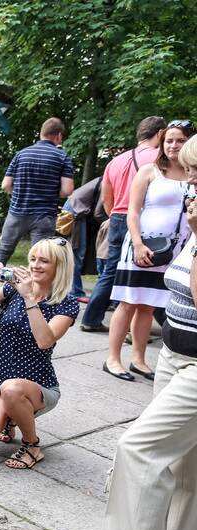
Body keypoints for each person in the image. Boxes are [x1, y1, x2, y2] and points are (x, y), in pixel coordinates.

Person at [88, 135, 197, 530]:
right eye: (189, 174)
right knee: (186, 462)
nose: (188, 184)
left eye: (195, 174)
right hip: (175, 352)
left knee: (138, 449)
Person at [0, 238, 79, 469]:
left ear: (60, 267)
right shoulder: (11, 289)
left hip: (39, 385)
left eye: (44, 261)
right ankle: (11, 416)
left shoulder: (66, 304)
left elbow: (45, 341)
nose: (35, 265)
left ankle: (32, 445)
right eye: (33, 259)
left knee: (12, 388)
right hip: (0, 380)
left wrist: (29, 298)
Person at [101, 121, 195, 382]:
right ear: (162, 143)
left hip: (174, 252)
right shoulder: (149, 171)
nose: (174, 145)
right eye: (169, 140)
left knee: (148, 305)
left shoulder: (192, 174)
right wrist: (138, 243)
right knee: (129, 301)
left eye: (180, 140)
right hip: (143, 246)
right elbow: (132, 211)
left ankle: (138, 359)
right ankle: (113, 358)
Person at [81, 117, 167, 331]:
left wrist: (115, 215)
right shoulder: (159, 157)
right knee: (147, 271)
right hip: (142, 219)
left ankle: (90, 319)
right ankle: (141, 327)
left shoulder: (116, 161)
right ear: (160, 134)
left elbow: (106, 199)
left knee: (111, 270)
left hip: (118, 217)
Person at [0, 118, 75, 266]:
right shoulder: (62, 157)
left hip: (16, 213)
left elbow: (6, 185)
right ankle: (34, 289)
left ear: (41, 133)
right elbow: (67, 190)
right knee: (40, 259)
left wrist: (18, 194)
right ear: (59, 136)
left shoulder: (21, 154)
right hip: (44, 216)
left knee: (3, 252)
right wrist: (51, 192)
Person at [59, 176, 105, 299]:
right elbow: (99, 214)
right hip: (75, 211)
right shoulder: (107, 182)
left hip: (78, 210)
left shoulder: (106, 179)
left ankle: (72, 289)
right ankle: (75, 292)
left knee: (77, 253)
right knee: (77, 253)